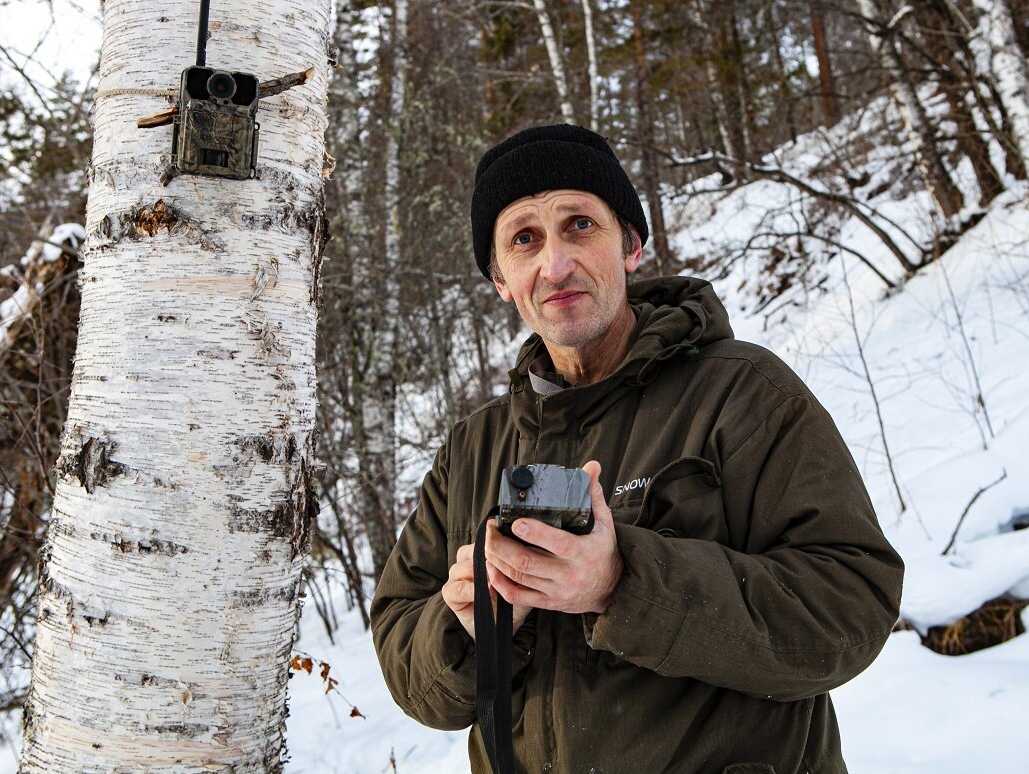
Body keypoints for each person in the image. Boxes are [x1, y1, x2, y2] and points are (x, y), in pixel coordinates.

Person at [370, 123, 904, 774]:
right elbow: (405, 660)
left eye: (579, 225)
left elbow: (850, 609)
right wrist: (467, 627)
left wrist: (622, 583)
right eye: (524, 239)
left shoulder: (741, 392)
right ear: (500, 280)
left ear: (631, 247)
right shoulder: (473, 448)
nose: (555, 264)